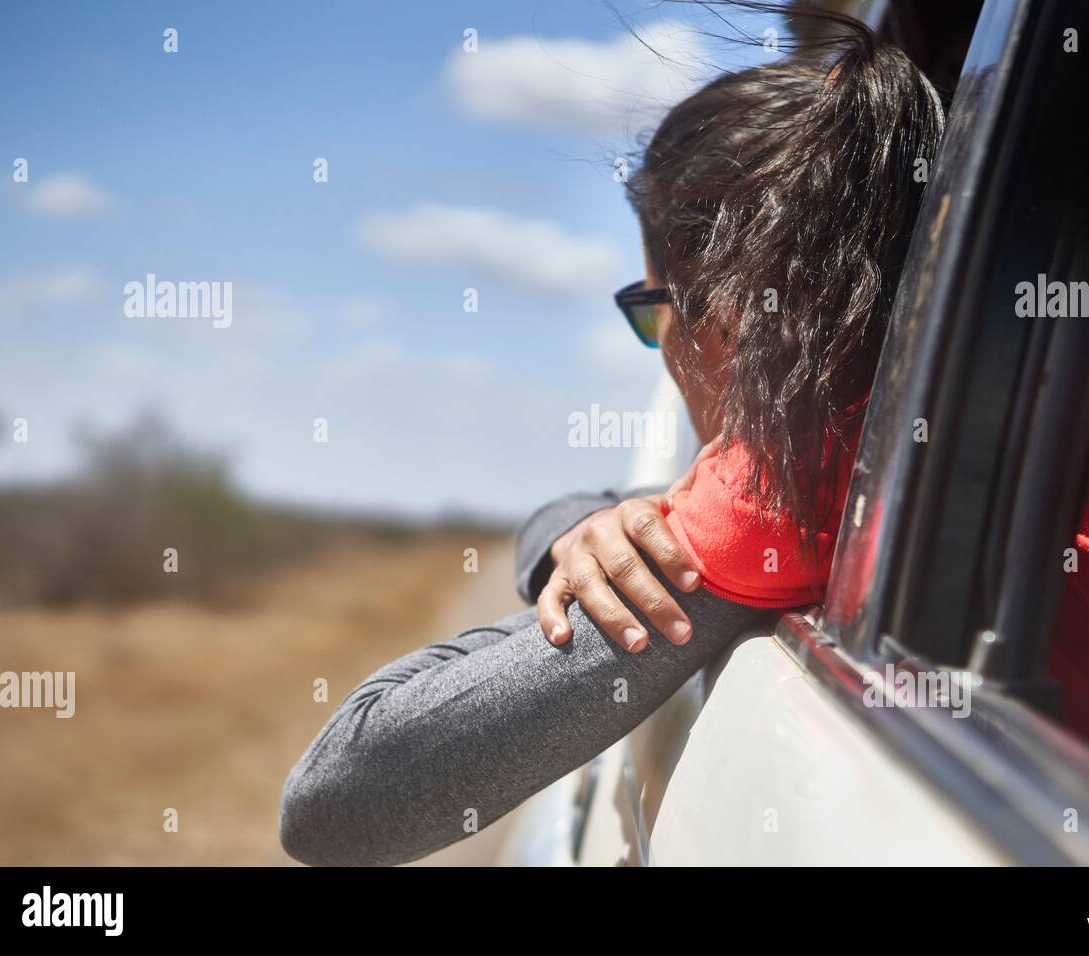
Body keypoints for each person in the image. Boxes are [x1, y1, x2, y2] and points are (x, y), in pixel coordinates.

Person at [279, 13, 945, 866]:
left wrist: (597, 543)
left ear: (729, 319)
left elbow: (334, 801)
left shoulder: (786, 496)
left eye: (652, 310)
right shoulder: (1022, 397)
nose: (660, 345)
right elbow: (592, 514)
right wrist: (567, 536)